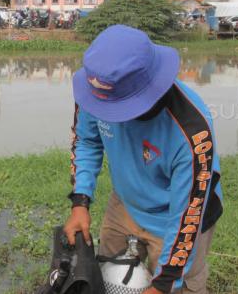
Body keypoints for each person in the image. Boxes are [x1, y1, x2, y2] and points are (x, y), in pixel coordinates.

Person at [63, 25, 223, 294]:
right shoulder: (97, 93)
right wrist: (80, 202)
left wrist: (163, 284)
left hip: (178, 215)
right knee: (103, 276)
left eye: (117, 108)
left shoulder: (191, 131)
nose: (107, 114)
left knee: (178, 288)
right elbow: (86, 141)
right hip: (125, 202)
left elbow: (187, 215)